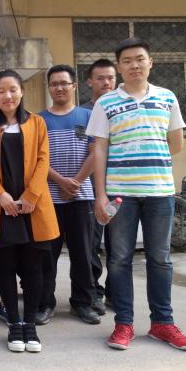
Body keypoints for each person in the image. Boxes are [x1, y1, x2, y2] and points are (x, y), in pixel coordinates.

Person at [87, 37, 186, 351]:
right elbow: (99, 150)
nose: (134, 65)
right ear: (119, 67)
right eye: (127, 61)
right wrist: (100, 196)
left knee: (160, 259)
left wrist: (149, 158)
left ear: (151, 63)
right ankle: (124, 324)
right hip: (120, 194)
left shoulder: (167, 97)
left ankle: (163, 323)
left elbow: (176, 144)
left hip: (160, 192)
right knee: (119, 260)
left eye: (140, 59)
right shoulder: (106, 103)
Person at [0, 70, 59, 353]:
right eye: (1, 91)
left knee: (34, 268)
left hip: (32, 207)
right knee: (5, 268)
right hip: (2, 208)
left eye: (13, 89)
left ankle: (30, 324)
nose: (7, 96)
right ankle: (14, 323)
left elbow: (43, 159)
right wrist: (0, 195)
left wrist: (31, 195)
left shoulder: (37, 122)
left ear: (21, 92)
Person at [37, 65, 99, 326]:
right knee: (46, 255)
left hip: (81, 196)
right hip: (49, 198)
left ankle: (82, 303)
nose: (59, 88)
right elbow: (37, 159)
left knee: (83, 253)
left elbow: (96, 153)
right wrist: (61, 181)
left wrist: (76, 181)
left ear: (74, 86)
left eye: (64, 83)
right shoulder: (38, 120)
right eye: (54, 84)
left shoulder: (88, 116)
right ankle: (44, 303)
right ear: (49, 88)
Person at [81, 58, 117, 314]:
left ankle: (116, 293)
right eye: (100, 78)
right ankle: (94, 292)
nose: (106, 82)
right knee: (90, 245)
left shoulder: (123, 109)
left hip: (120, 188)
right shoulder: (83, 113)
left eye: (110, 78)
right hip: (90, 190)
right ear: (89, 82)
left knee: (118, 246)